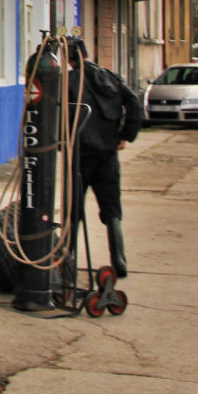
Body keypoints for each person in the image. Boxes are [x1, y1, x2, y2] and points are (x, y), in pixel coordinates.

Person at [67, 39, 144, 278]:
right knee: (112, 208)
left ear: (69, 58)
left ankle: (68, 258)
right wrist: (125, 135)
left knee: (74, 208)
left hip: (81, 153)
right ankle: (119, 258)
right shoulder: (111, 77)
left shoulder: (68, 82)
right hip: (108, 153)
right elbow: (135, 104)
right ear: (87, 53)